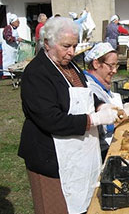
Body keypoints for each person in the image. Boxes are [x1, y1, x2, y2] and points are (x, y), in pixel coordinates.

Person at [18, 17, 119, 214]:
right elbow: (50, 119)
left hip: (77, 152)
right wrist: (93, 120)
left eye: (74, 46)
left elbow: (84, 94)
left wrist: (100, 107)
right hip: (49, 157)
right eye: (66, 46)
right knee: (55, 208)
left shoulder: (70, 65)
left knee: (82, 205)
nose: (71, 52)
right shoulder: (37, 73)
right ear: (47, 43)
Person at [84, 42, 129, 161]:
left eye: (116, 66)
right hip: (99, 150)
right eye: (111, 66)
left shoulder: (100, 83)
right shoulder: (90, 88)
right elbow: (104, 126)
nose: (115, 71)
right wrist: (126, 111)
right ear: (96, 64)